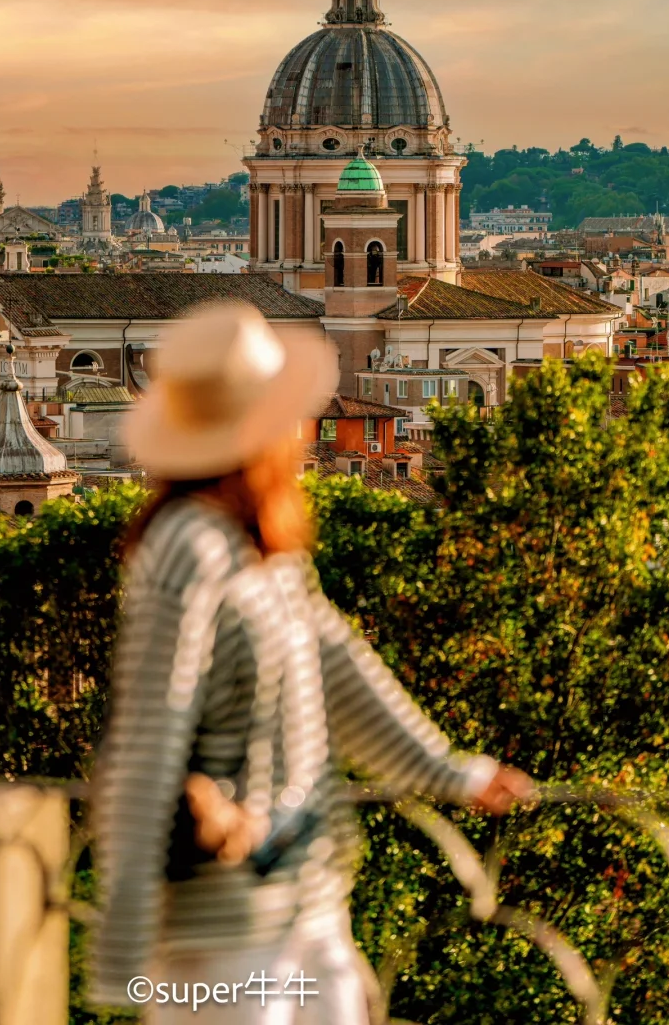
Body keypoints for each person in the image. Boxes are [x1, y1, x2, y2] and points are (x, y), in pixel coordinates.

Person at [89, 303, 531, 1022]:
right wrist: (125, 950)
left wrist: (452, 772)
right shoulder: (188, 547)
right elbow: (147, 739)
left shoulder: (257, 549)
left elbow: (338, 668)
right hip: (227, 924)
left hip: (305, 902)